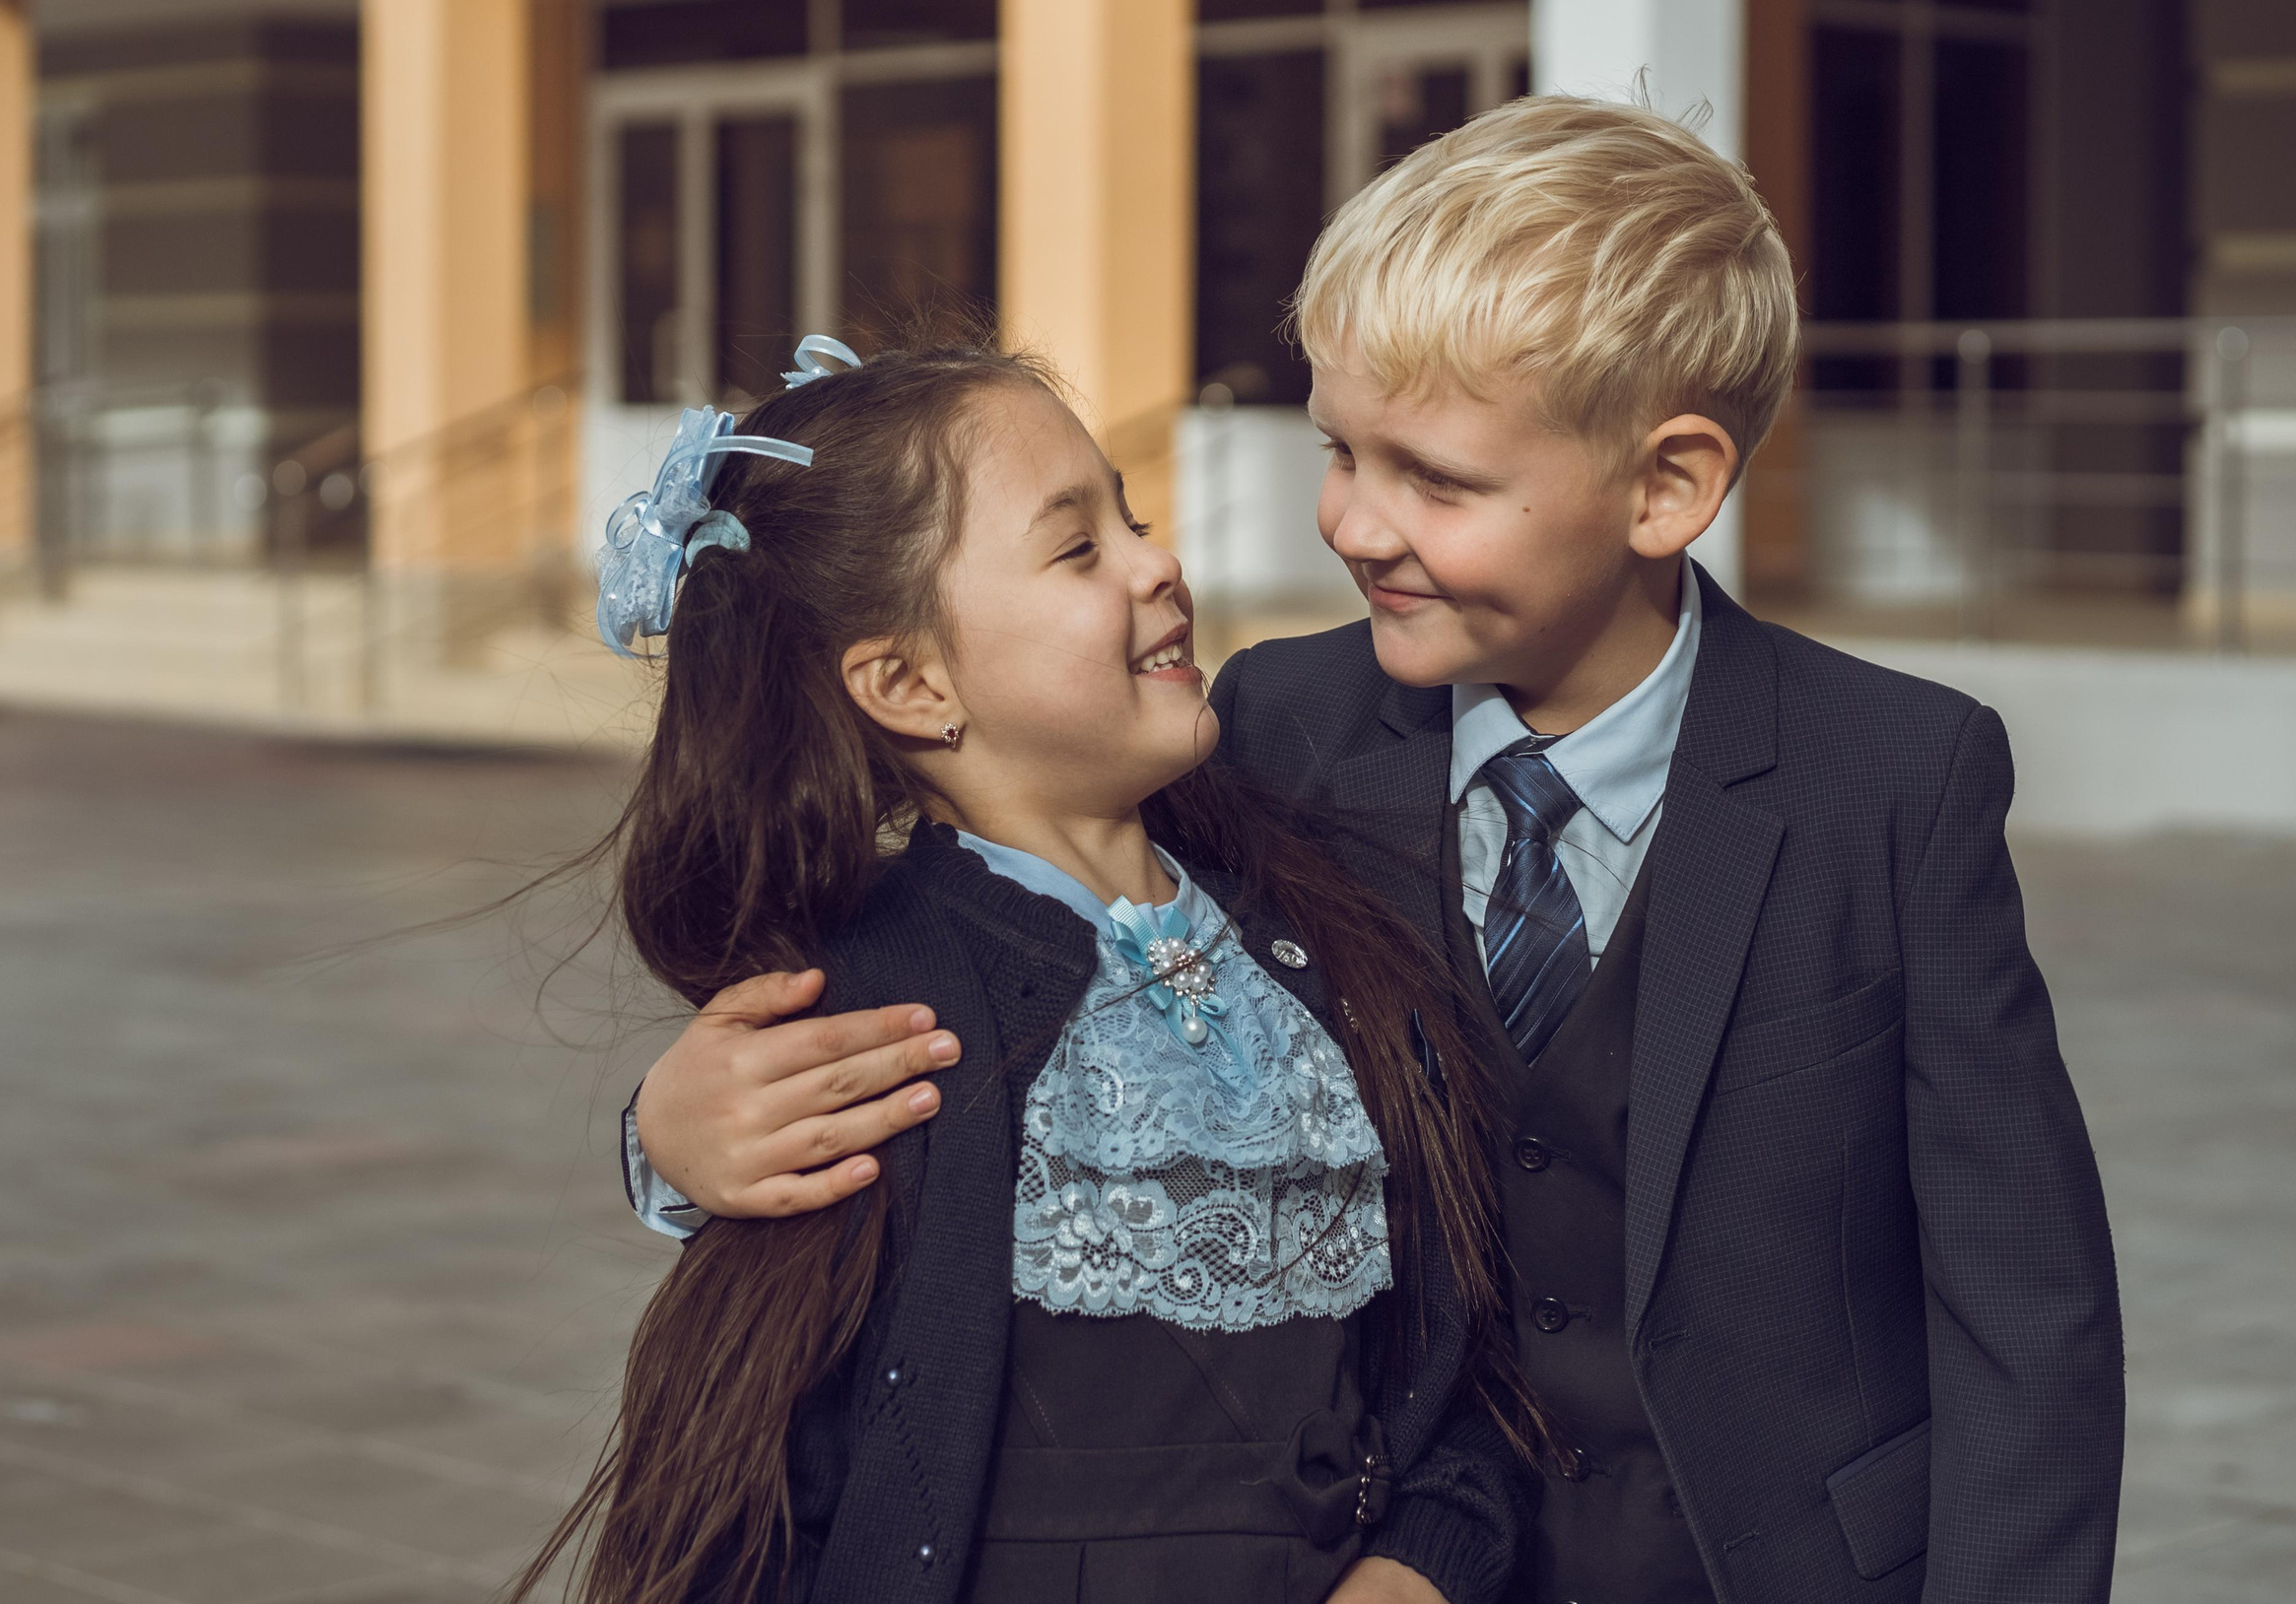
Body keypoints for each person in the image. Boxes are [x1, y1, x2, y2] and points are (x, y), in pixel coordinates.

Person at [625, 99, 2125, 1604]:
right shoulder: (1275, 726)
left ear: (1667, 486)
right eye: (1340, 448)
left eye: (1437, 479)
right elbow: (1000, 940)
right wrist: (667, 1142)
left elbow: (2025, 1298)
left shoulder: (1895, 776)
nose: (1354, 520)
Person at [513, 338, 1535, 1604]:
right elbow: (776, 1497)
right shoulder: (873, 1025)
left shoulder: (1325, 933)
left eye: (1135, 516)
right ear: (908, 681)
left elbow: (1465, 1374)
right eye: (1077, 547)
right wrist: (666, 1157)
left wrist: (1421, 1565)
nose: (1159, 561)